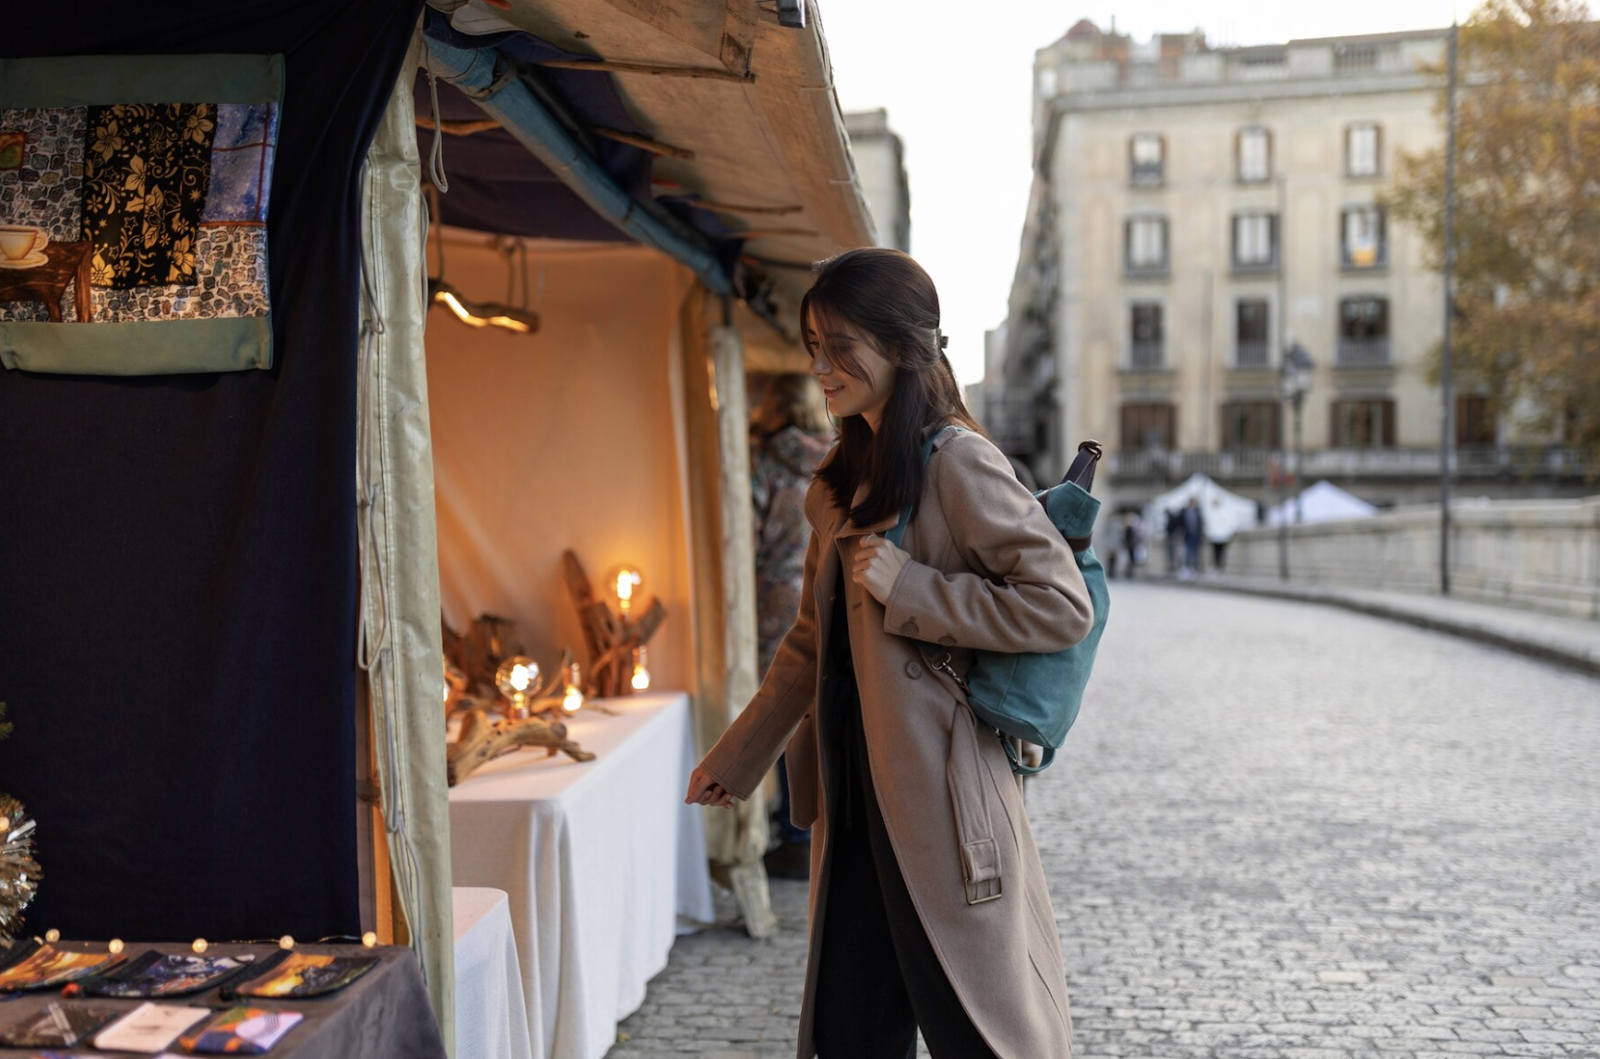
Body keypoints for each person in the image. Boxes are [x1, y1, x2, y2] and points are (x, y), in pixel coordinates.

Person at [685, 248, 1092, 1059]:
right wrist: (741, 754)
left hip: (939, 803)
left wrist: (913, 589)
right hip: (855, 801)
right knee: (849, 1032)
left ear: (904, 347)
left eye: (841, 346)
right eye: (813, 346)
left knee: (977, 1030)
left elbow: (1060, 604)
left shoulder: (959, 461)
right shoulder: (843, 478)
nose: (821, 367)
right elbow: (809, 641)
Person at [749, 372, 834, 877]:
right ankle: (819, 825)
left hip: (777, 600)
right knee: (822, 706)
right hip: (831, 592)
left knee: (783, 706)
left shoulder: (762, 463)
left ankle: (794, 830)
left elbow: (748, 533)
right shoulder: (838, 460)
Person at [1204, 493, 1236, 574]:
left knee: (1221, 553)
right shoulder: (1211, 512)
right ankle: (1216, 567)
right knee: (1215, 553)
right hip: (1215, 536)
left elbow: (1229, 523)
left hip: (1222, 536)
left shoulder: (1224, 512)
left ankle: (1220, 567)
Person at [1180, 495, 1205, 579]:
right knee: (1188, 552)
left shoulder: (1198, 511)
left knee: (1195, 553)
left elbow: (1200, 524)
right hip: (1187, 535)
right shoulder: (1184, 511)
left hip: (1196, 536)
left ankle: (1194, 569)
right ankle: (1187, 568)